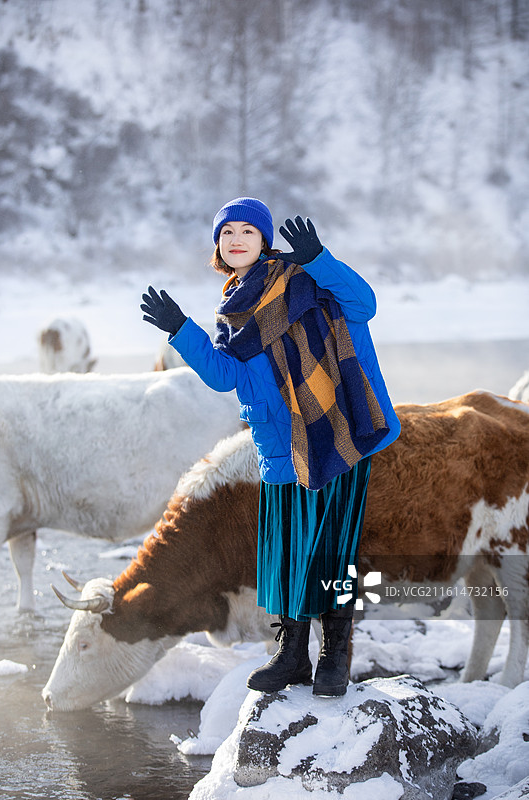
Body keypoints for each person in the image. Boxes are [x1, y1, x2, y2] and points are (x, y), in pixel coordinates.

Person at [141, 197, 400, 697]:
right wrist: (181, 329)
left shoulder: (301, 279)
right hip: (278, 446)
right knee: (283, 553)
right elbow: (224, 376)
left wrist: (320, 259)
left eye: (248, 231)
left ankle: (336, 656)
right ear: (218, 245)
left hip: (334, 433)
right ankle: (292, 655)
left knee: (332, 550)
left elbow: (363, 307)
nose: (237, 239)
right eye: (227, 232)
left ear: (264, 241)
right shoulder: (232, 309)